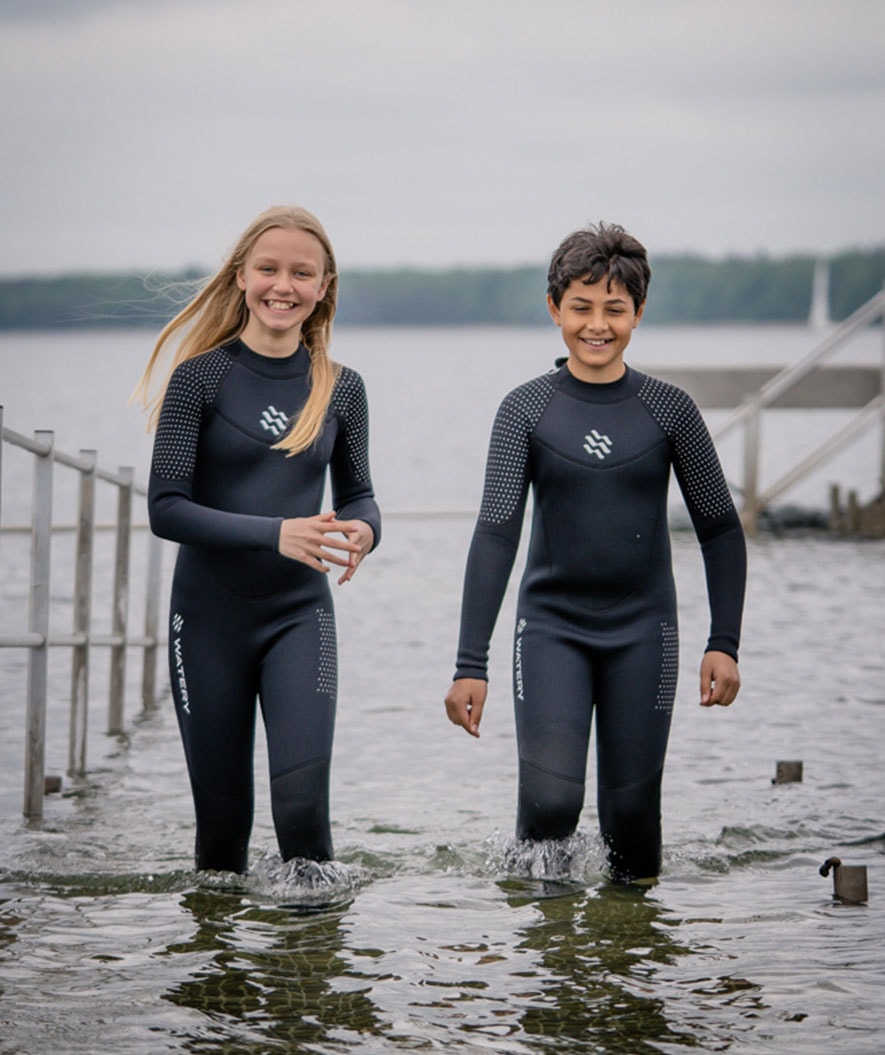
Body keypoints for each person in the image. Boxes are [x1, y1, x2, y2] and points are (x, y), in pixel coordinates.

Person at [444, 222, 745, 883]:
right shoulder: (524, 409)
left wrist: (723, 640)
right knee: (551, 805)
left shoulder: (669, 410)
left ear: (638, 311)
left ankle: (626, 965)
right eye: (581, 306)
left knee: (633, 828)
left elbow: (720, 529)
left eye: (614, 308)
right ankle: (546, 960)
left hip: (646, 629)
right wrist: (471, 663)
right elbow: (495, 533)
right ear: (554, 308)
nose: (596, 324)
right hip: (550, 627)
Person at [133, 204, 381, 874]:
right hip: (207, 621)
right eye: (268, 268)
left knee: (302, 814)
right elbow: (166, 508)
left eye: (302, 272)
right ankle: (221, 975)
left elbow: (358, 494)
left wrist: (363, 528)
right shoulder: (200, 378)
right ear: (241, 275)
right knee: (221, 835)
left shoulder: (342, 388)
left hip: (299, 616)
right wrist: (276, 533)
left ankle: (311, 964)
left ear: (324, 285)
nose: (284, 285)